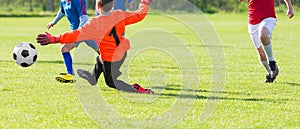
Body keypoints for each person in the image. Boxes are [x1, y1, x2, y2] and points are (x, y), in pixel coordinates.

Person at [36, 0, 154, 94]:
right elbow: (139, 15)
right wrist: (145, 3)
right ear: (112, 5)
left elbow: (74, 35)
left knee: (111, 82)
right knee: (100, 59)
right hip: (122, 52)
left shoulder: (94, 24)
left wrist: (54, 39)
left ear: (97, 7)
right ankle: (93, 78)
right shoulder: (119, 15)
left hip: (111, 57)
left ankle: (136, 89)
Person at [240, 0, 294, 83]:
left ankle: (271, 62)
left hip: (268, 17)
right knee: (261, 52)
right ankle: (270, 73)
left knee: (263, 34)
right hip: (253, 20)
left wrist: (290, 7)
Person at [46, 0, 99, 83]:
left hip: (85, 32)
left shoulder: (78, 1)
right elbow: (62, 11)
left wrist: (79, 32)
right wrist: (54, 22)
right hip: (75, 33)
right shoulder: (63, 1)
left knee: (101, 51)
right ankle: (70, 74)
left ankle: (113, 65)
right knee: (64, 49)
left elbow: (84, 17)